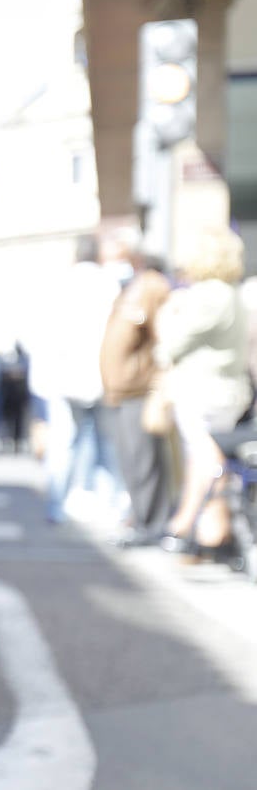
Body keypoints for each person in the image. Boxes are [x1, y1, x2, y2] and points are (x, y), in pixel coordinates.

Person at [156, 227, 251, 560]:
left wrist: (168, 313)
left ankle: (189, 525)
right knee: (211, 458)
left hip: (204, 389)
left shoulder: (207, 295)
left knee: (204, 458)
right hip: (228, 388)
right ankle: (207, 529)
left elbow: (171, 344)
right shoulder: (233, 293)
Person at [34, 235, 124, 524]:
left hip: (66, 377)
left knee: (64, 444)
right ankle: (108, 506)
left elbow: (46, 336)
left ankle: (55, 506)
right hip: (102, 377)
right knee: (105, 444)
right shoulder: (110, 285)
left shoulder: (61, 284)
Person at [99, 246, 173, 547]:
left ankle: (150, 523)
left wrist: (158, 379)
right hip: (122, 391)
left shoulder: (152, 286)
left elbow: (164, 334)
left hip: (139, 389)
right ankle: (142, 518)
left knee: (144, 461)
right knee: (132, 460)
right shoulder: (133, 288)